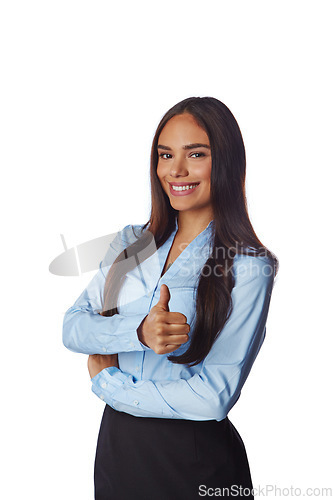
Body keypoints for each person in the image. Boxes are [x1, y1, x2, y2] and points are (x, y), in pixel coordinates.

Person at [62, 96, 279, 500]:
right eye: (165, 155)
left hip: (196, 462)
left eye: (196, 154)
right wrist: (140, 333)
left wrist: (108, 383)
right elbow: (73, 327)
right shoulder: (131, 243)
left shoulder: (250, 266)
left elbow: (213, 397)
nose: (176, 170)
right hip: (118, 451)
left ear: (227, 161)